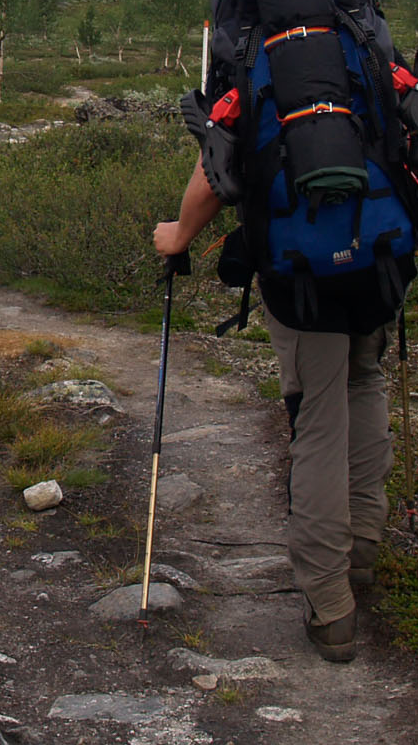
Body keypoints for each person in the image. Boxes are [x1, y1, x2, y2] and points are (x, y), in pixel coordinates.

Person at [153, 177, 391, 663]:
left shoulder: (253, 93)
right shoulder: (383, 91)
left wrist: (180, 235)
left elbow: (214, 172)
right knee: (365, 378)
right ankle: (363, 544)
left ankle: (330, 606)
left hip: (302, 267)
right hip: (381, 251)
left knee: (320, 413)